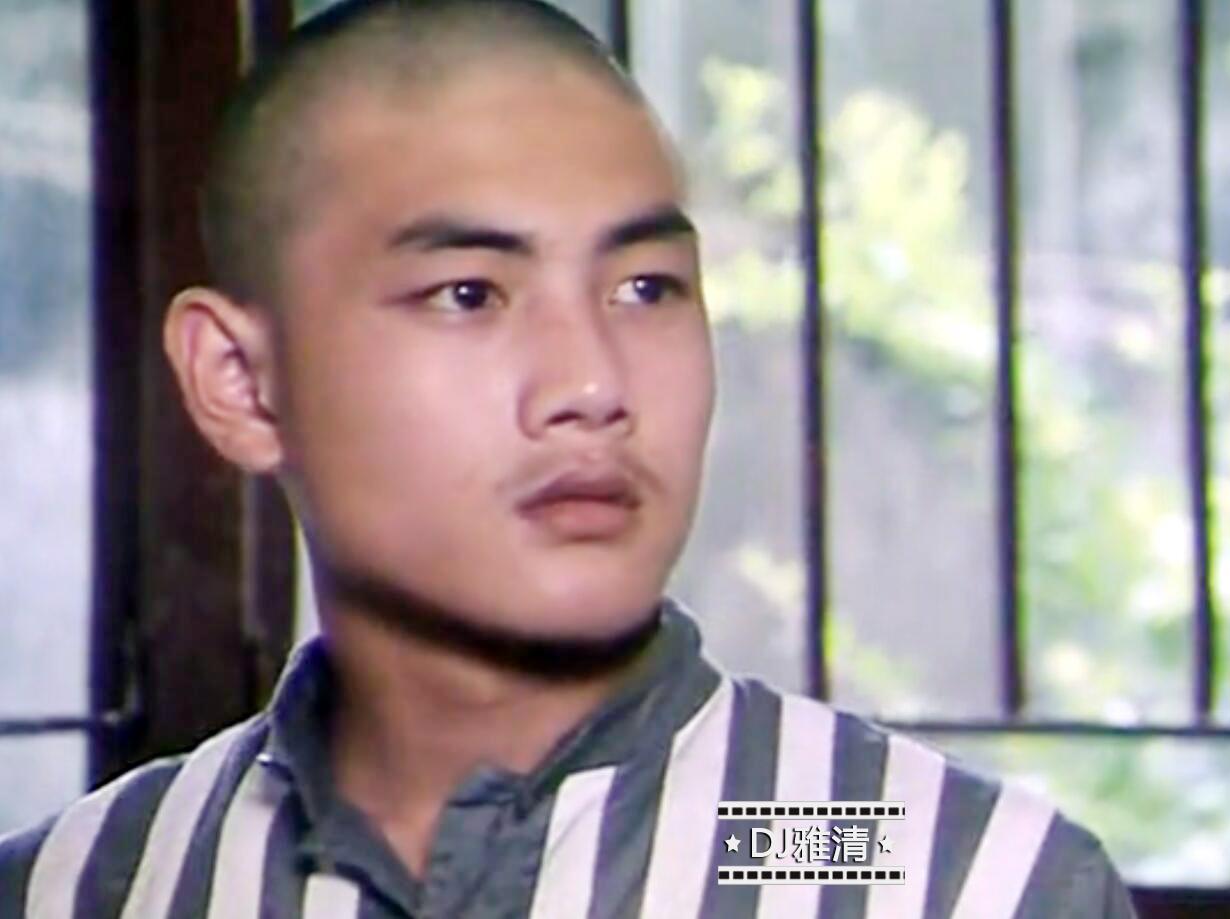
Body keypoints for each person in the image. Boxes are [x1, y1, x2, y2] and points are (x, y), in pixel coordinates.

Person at [0, 1, 1135, 915]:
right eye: (468, 293)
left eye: (644, 288)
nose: (591, 384)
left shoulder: (950, 877)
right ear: (240, 381)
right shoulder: (81, 887)